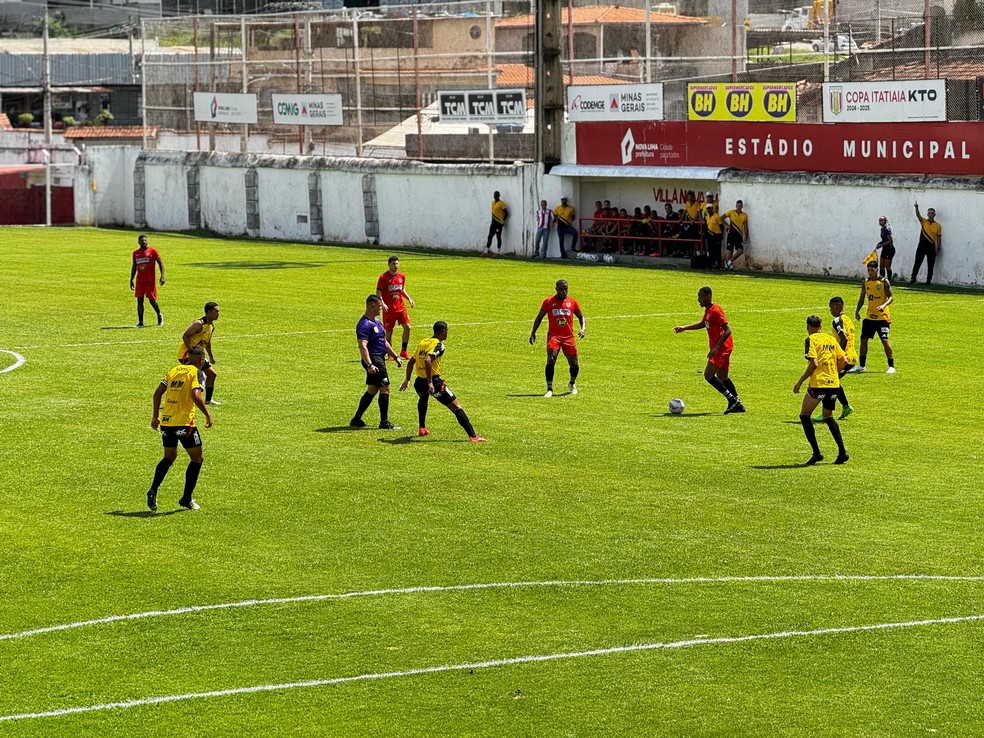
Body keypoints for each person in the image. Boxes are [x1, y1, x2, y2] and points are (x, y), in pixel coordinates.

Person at [148, 345, 214, 512]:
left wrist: (155, 416)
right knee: (197, 458)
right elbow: (195, 395)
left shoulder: (174, 370)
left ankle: (153, 489)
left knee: (169, 457)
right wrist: (207, 414)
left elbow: (157, 393)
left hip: (166, 422)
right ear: (201, 359)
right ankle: (186, 498)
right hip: (185, 423)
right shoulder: (198, 373)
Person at [399, 321, 486, 442]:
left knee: (423, 398)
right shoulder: (439, 345)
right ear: (443, 331)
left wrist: (407, 379)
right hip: (434, 382)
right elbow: (428, 360)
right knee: (456, 407)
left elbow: (411, 362)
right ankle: (473, 436)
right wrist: (430, 382)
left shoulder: (423, 342)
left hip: (419, 382)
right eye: (447, 330)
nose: (447, 333)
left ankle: (422, 428)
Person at [673, 286, 746, 413]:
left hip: (722, 348)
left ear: (708, 296)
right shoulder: (708, 310)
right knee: (722, 377)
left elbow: (728, 330)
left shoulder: (716, 311)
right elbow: (703, 323)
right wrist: (685, 328)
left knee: (708, 375)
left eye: (700, 297)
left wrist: (716, 348)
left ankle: (732, 400)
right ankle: (738, 404)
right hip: (722, 347)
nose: (698, 300)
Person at [793, 314, 849, 465]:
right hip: (834, 384)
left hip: (819, 384)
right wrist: (835, 373)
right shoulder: (830, 338)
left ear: (807, 327)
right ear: (821, 326)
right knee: (828, 417)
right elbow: (844, 360)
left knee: (804, 416)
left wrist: (799, 382)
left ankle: (817, 453)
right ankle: (842, 452)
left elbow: (814, 364)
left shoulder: (810, 340)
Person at [351, 294, 402, 429]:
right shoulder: (364, 324)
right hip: (374, 359)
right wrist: (369, 364)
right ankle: (384, 422)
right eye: (379, 306)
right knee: (385, 387)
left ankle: (356, 419)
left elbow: (383, 342)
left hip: (379, 358)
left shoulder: (377, 322)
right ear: (372, 306)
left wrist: (395, 356)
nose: (381, 309)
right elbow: (363, 346)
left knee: (373, 389)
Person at [529, 279, 585, 398]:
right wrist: (533, 332)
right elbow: (539, 317)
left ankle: (572, 383)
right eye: (561, 289)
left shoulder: (572, 302)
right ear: (556, 289)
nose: (564, 291)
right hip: (554, 336)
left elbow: (581, 316)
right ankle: (549, 389)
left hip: (568, 337)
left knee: (574, 364)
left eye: (566, 289)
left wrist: (583, 328)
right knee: (551, 359)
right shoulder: (548, 301)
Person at [814, 296, 856, 420]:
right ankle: (846, 406)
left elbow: (844, 338)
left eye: (831, 307)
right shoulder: (847, 319)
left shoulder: (837, 320)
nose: (830, 310)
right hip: (851, 356)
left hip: (845, 358)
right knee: (834, 382)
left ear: (837, 306)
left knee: (828, 383)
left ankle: (826, 413)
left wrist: (839, 357)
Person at [851, 261, 895, 374]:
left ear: (877, 269)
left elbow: (891, 297)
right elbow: (862, 298)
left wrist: (884, 305)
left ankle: (891, 366)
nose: (870, 273)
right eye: (868, 270)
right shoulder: (866, 282)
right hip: (869, 318)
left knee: (884, 340)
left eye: (872, 270)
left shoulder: (884, 282)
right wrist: (857, 311)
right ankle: (862, 365)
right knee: (863, 340)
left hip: (882, 318)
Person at [177, 302, 220, 405]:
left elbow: (207, 342)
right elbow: (185, 336)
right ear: (209, 312)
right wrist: (191, 351)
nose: (218, 314)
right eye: (216, 311)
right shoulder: (198, 324)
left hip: (198, 355)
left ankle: (208, 400)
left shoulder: (211, 326)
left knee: (211, 374)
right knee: (192, 376)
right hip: (186, 354)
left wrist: (211, 356)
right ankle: (180, 399)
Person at [376, 256, 415, 360]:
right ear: (389, 264)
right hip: (389, 309)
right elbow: (378, 291)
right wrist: (382, 303)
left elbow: (401, 289)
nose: (396, 266)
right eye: (393, 264)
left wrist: (409, 299)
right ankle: (390, 354)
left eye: (397, 264)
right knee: (389, 332)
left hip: (401, 308)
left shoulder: (401, 276)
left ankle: (403, 351)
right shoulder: (383, 277)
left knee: (407, 327)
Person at [130, 234, 165, 328]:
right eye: (142, 241)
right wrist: (131, 279)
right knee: (139, 301)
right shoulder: (135, 253)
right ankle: (140, 322)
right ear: (138, 242)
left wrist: (162, 276)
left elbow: (160, 263)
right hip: (140, 281)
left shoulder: (152, 251)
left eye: (145, 240)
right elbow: (134, 267)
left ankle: (159, 314)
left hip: (150, 281)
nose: (144, 242)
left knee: (152, 301)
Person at [911, 202, 941, 285]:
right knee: (917, 262)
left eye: (932, 213)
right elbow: (918, 215)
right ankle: (913, 278)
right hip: (922, 245)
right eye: (929, 213)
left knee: (931, 264)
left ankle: (928, 281)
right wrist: (916, 208)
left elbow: (939, 237)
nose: (930, 214)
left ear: (934, 214)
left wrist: (938, 248)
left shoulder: (938, 225)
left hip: (931, 246)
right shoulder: (923, 221)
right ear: (927, 214)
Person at [723, 200, 749, 269]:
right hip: (731, 234)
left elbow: (746, 226)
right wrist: (726, 225)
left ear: (742, 206)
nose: (739, 207)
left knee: (740, 251)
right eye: (737, 206)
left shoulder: (744, 215)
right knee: (730, 250)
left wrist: (746, 236)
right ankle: (729, 265)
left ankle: (729, 261)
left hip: (739, 235)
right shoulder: (731, 212)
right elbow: (721, 218)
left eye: (740, 206)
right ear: (736, 206)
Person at [482, 191, 508, 257]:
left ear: (499, 196)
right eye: (494, 195)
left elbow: (506, 213)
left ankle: (498, 252)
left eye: (497, 195)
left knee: (498, 237)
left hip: (498, 223)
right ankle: (486, 251)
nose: (495, 196)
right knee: (490, 236)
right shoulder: (493, 202)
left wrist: (503, 221)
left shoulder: (501, 203)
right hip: (493, 222)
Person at [874, 215, 895, 282]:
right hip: (885, 249)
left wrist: (882, 245)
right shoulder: (882, 229)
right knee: (881, 266)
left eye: (882, 220)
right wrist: (879, 243)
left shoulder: (886, 230)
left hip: (889, 249)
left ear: (885, 221)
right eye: (879, 220)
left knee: (887, 266)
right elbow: (884, 239)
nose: (880, 222)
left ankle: (889, 281)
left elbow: (890, 241)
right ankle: (882, 280)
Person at [705, 203, 724, 269]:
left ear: (712, 209)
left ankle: (719, 264)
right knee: (711, 250)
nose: (709, 210)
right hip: (710, 234)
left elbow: (721, 226)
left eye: (710, 208)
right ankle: (712, 263)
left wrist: (720, 235)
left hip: (717, 235)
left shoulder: (716, 216)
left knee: (717, 251)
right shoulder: (707, 216)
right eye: (708, 208)